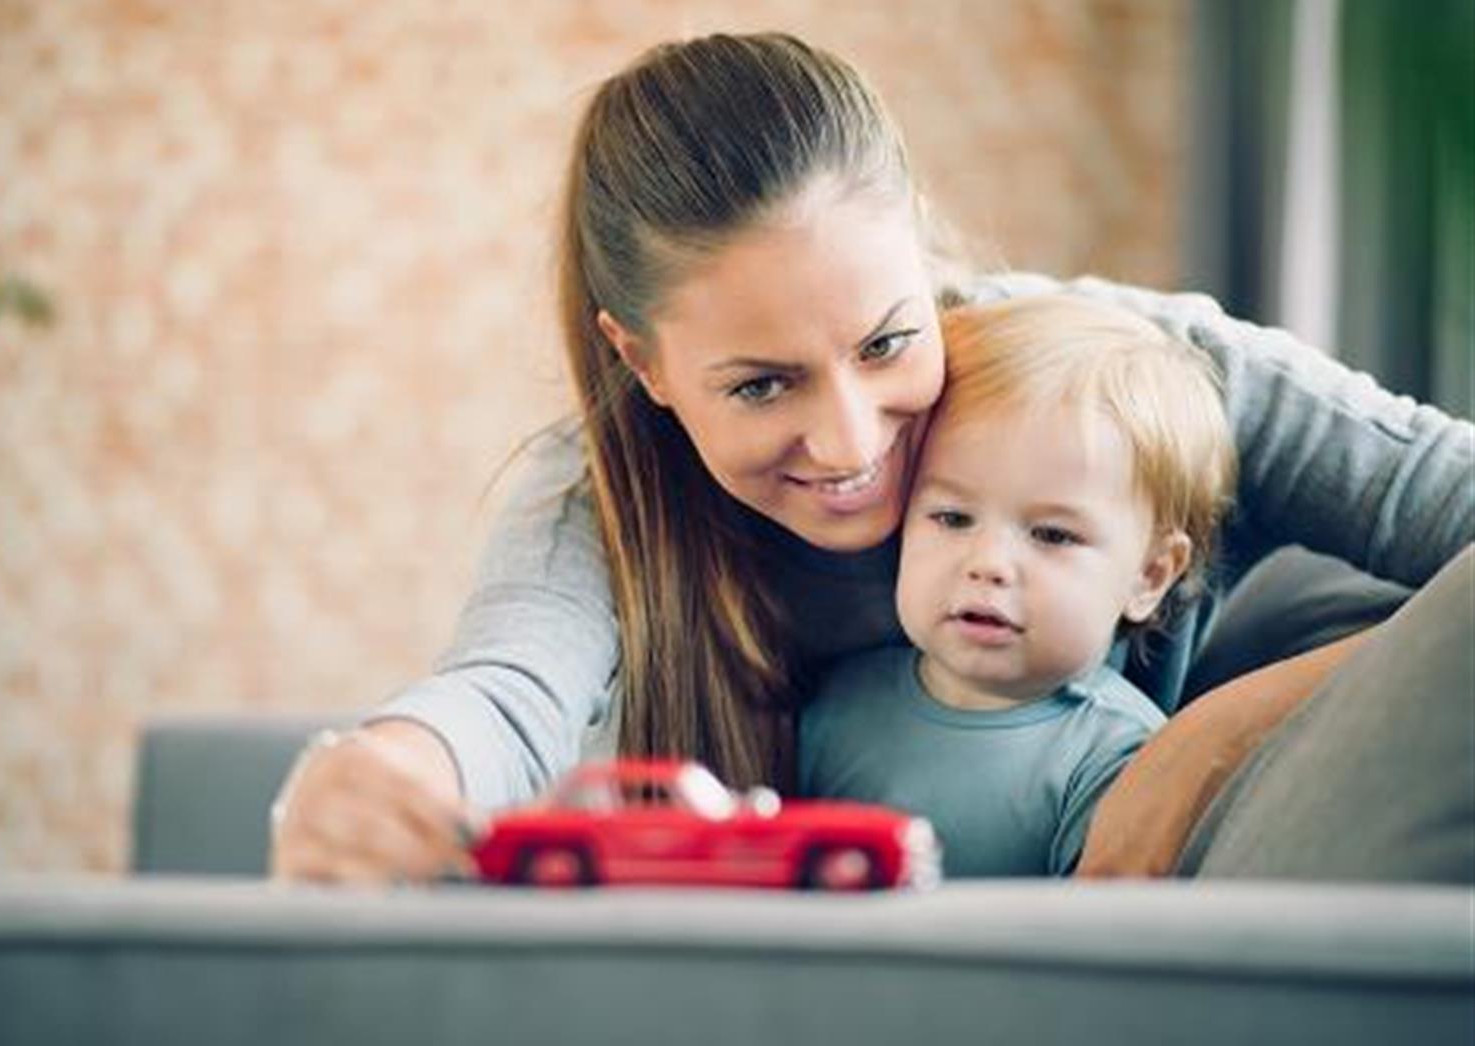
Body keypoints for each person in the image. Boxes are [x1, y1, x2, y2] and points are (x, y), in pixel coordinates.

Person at [268, 32, 1474, 886]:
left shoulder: (1140, 381)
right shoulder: (602, 498)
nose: (851, 443)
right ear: (641, 361)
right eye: (759, 383)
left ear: (917, 242)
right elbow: (503, 688)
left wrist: (1216, 731)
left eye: (887, 339)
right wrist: (380, 768)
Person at [800, 295, 1235, 877]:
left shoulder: (1119, 756)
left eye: (1052, 534)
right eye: (952, 518)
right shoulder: (833, 705)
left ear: (1149, 575)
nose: (989, 565)